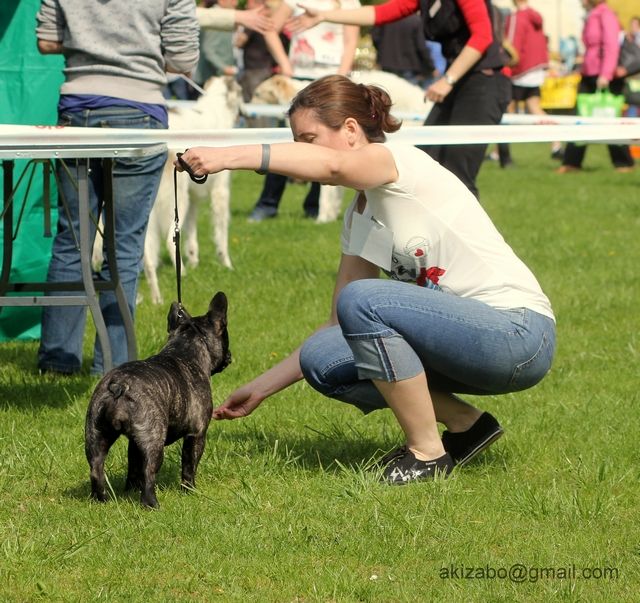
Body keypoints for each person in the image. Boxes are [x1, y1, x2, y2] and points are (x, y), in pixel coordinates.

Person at [176, 75, 556, 484]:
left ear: (351, 130)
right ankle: (468, 426)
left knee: (362, 299)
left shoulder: (396, 161)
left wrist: (226, 156)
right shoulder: (360, 213)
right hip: (466, 345)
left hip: (518, 335)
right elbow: (337, 324)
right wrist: (260, 388)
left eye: (309, 140)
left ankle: (427, 453)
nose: (303, 154)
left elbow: (335, 165)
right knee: (322, 357)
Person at [35, 0, 200, 375]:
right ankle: (113, 365)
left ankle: (56, 362)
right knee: (123, 246)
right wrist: (134, 51)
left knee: (72, 239)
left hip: (77, 108)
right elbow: (184, 60)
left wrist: (93, 45)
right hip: (140, 110)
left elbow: (46, 41)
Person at [289, 0, 510, 198]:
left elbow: (483, 36)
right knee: (425, 164)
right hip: (458, 83)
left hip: (485, 83)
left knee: (459, 176)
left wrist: (448, 80)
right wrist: (324, 16)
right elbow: (379, 13)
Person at [247, 0, 360, 222]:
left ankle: (314, 207)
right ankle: (267, 204)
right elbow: (270, 28)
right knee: (285, 144)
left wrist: (339, 79)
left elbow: (350, 43)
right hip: (297, 79)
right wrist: (285, 64)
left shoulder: (350, 3)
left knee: (326, 145)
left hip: (330, 80)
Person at [557, 0, 634, 174]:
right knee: (580, 118)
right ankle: (572, 162)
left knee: (610, 119)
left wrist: (605, 74)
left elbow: (611, 46)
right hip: (590, 73)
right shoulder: (592, 15)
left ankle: (623, 163)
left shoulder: (605, 14)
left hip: (603, 77)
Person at [371, 14, 435, 89]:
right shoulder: (415, 20)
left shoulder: (386, 16)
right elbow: (421, 47)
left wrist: (383, 52)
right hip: (408, 65)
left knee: (387, 91)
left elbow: (375, 37)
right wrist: (430, 67)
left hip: (387, 63)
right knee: (408, 94)